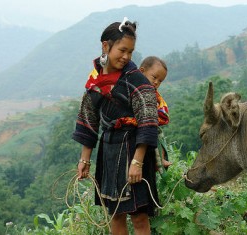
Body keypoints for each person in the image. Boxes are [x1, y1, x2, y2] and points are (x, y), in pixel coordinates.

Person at [73, 17, 159, 235]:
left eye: (130, 52)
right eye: (122, 50)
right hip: (109, 148)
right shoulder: (95, 80)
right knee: (115, 214)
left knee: (139, 216)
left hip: (134, 150)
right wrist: (85, 159)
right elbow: (89, 120)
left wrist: (137, 162)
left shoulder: (137, 80)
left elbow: (148, 122)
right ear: (105, 46)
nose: (126, 56)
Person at [139, 56, 172, 174]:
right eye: (154, 77)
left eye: (160, 81)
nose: (156, 82)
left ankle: (160, 160)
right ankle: (159, 161)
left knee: (159, 136)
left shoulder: (153, 93)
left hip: (151, 124)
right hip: (139, 125)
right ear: (142, 71)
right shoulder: (136, 89)